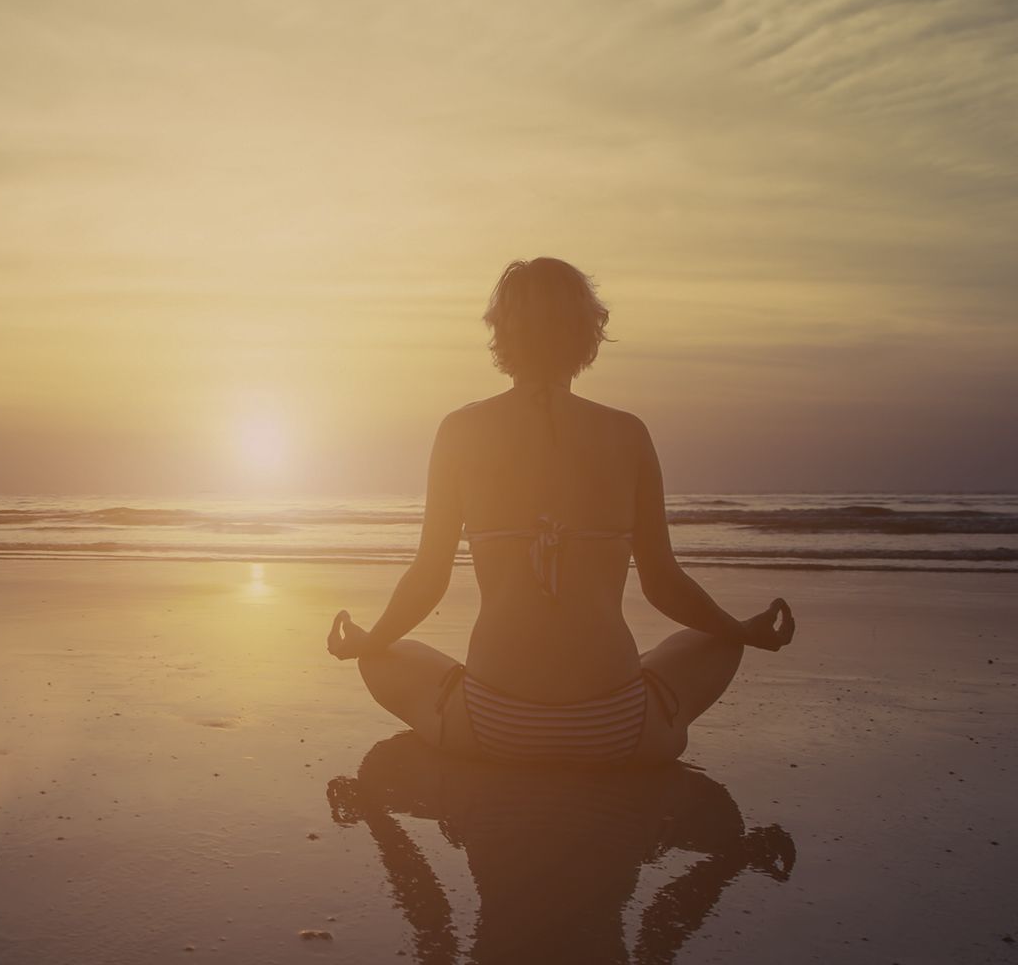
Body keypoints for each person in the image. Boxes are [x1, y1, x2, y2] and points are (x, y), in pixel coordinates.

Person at [327, 257, 795, 764]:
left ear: (502, 332)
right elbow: (663, 584)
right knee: (718, 642)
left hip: (491, 726)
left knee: (383, 656)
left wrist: (369, 641)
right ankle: (633, 695)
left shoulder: (460, 431)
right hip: (619, 729)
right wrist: (742, 632)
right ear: (587, 333)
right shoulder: (627, 433)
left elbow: (428, 578)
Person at [326, 732, 795, 964]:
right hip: (513, 819)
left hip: (591, 821)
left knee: (383, 769)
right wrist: (375, 815)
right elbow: (432, 919)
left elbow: (431, 918)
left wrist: (376, 814)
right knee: (718, 821)